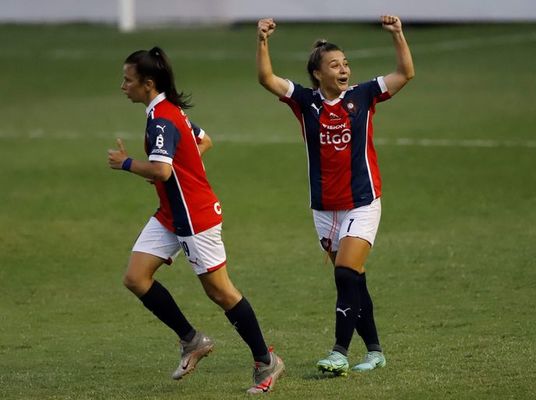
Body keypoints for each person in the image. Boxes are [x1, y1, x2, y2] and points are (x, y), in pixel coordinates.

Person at [108, 46, 284, 394]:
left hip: (195, 217)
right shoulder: (168, 112)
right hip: (171, 214)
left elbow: (161, 169)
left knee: (220, 292)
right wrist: (178, 168)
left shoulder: (161, 118)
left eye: (127, 80)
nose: (122, 86)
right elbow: (202, 140)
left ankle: (266, 361)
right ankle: (192, 340)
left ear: (148, 83)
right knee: (135, 277)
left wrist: (127, 163)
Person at [256, 16, 414, 375]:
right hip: (325, 209)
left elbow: (405, 73)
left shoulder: (363, 94)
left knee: (345, 273)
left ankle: (339, 352)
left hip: (362, 201)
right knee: (353, 280)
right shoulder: (304, 101)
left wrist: (398, 34)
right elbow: (266, 79)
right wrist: (262, 40)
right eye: (334, 65)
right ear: (318, 74)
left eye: (345, 63)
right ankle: (374, 351)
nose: (343, 69)